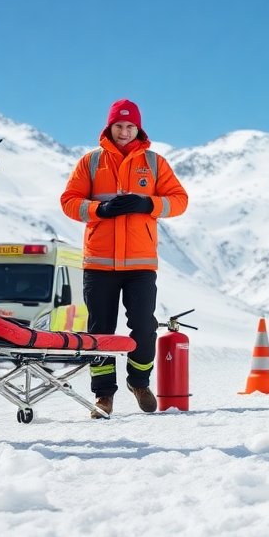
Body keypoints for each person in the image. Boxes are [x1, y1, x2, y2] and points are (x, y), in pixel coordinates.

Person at [60, 99, 189, 418]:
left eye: (130, 126)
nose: (124, 131)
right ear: (109, 127)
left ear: (139, 129)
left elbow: (180, 201)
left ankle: (139, 382)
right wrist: (98, 210)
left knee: (144, 326)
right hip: (99, 263)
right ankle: (104, 396)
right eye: (119, 125)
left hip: (140, 265)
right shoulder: (90, 162)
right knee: (100, 330)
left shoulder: (155, 163)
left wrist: (149, 205)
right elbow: (68, 202)